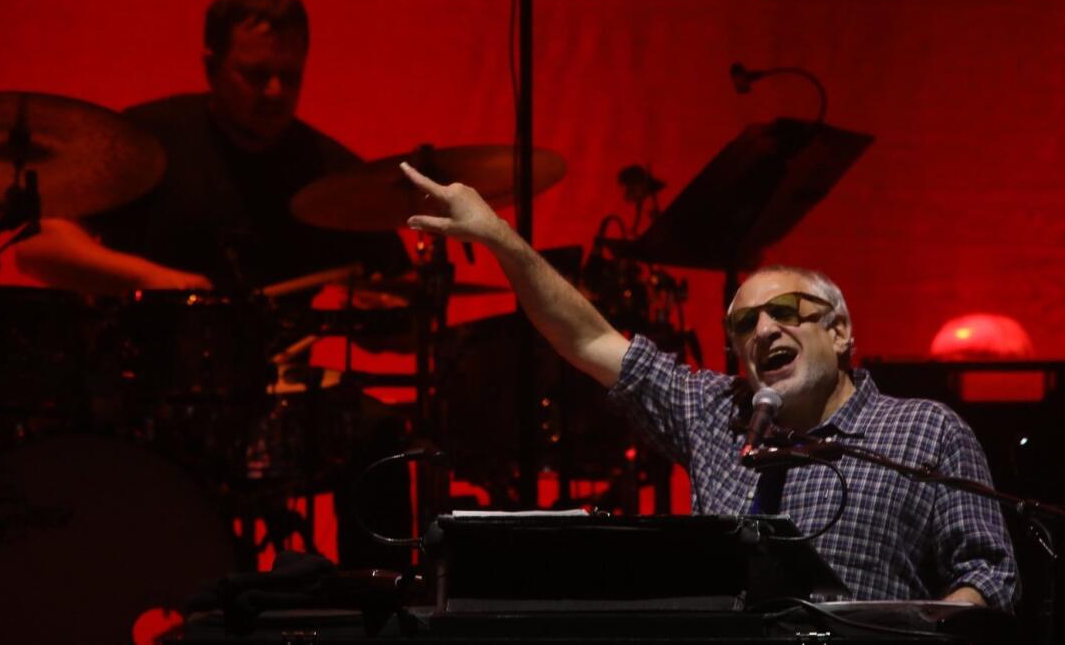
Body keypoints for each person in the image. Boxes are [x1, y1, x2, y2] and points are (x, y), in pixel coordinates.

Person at [397, 161, 1020, 611]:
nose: (763, 331)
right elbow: (587, 338)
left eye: (787, 311)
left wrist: (908, 628)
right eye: (744, 324)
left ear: (840, 330)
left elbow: (990, 578)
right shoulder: (715, 414)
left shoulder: (923, 430)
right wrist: (500, 238)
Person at [14, 0, 411, 570]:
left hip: (283, 400)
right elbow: (39, 244)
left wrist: (379, 314)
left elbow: (403, 311)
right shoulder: (145, 145)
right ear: (210, 65)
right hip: (147, 394)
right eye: (254, 74)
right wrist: (151, 276)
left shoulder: (332, 173)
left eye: (291, 75)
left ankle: (368, 610)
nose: (275, 91)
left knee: (383, 442)